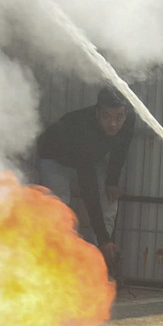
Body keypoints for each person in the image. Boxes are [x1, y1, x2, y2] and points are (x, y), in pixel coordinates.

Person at [35, 85, 135, 272]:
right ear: (97, 112)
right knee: (59, 208)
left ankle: (97, 264)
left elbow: (120, 151)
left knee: (110, 201)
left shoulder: (129, 122)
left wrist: (113, 181)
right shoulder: (83, 130)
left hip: (88, 161)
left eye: (119, 117)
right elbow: (89, 190)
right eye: (106, 116)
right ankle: (54, 267)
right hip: (54, 158)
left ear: (126, 114)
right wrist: (105, 239)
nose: (113, 124)